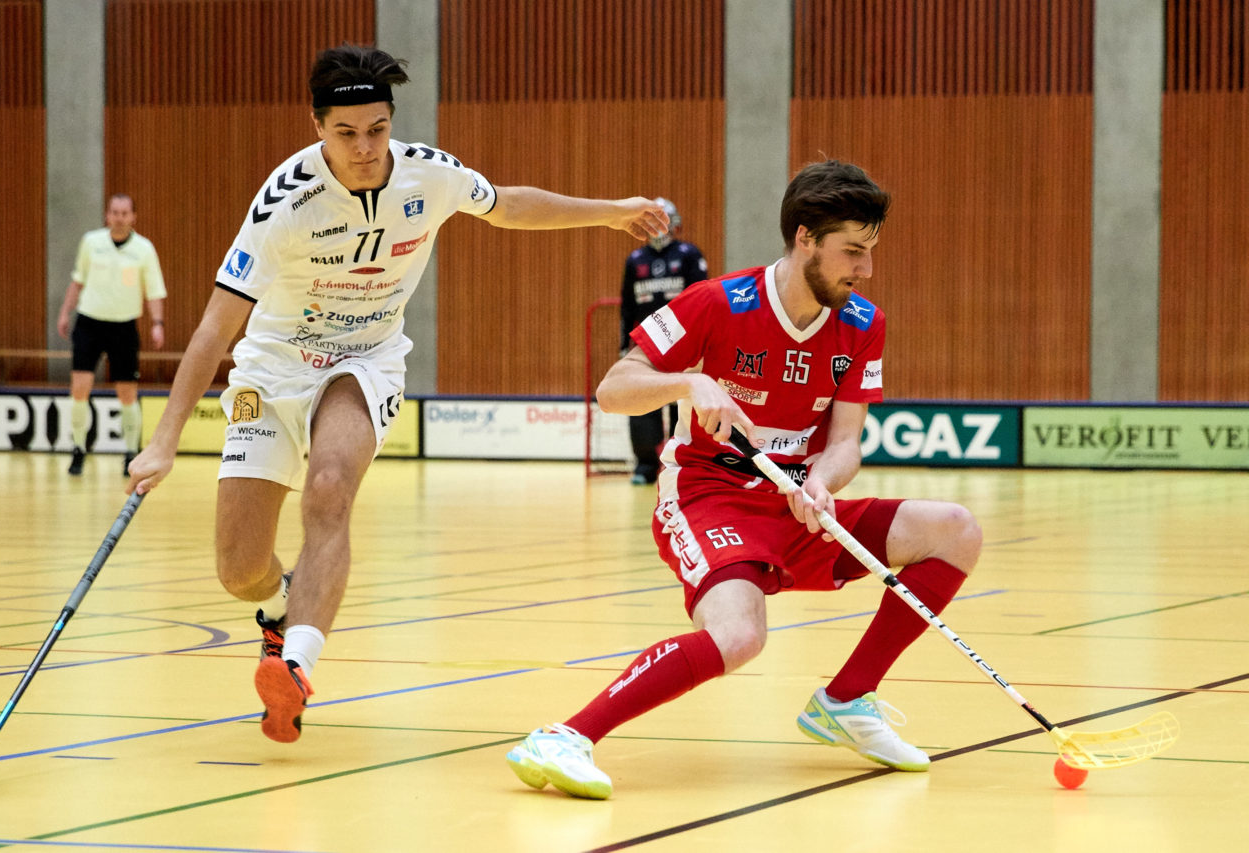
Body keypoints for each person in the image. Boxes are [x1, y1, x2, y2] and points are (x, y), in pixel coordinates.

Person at [126, 43, 668, 745]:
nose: (364, 148)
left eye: (377, 129)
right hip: (274, 368)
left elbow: (508, 207)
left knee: (330, 487)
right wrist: (165, 439)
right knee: (238, 569)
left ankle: (295, 666)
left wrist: (609, 211)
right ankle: (280, 609)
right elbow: (212, 330)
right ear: (317, 126)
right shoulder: (284, 201)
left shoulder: (428, 175)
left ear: (391, 122)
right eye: (346, 133)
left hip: (367, 356)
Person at [505, 160, 983, 799]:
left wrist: (822, 481)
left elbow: (845, 443)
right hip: (709, 495)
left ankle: (846, 700)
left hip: (796, 502)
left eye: (870, 253)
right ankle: (565, 737)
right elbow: (613, 390)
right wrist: (690, 381)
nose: (865, 270)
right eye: (853, 252)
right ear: (805, 237)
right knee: (740, 636)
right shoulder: (716, 302)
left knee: (955, 531)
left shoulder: (863, 323)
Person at [57, 194, 167, 476]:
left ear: (133, 217)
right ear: (107, 215)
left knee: (127, 392)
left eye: (125, 212)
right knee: (80, 387)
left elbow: (154, 290)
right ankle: (79, 449)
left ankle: (131, 452)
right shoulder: (92, 243)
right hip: (89, 324)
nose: (119, 217)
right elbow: (77, 280)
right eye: (115, 212)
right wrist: (65, 312)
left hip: (123, 327)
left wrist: (157, 323)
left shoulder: (144, 249)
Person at [618, 198, 707, 484]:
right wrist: (624, 344)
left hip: (682, 342)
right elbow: (627, 307)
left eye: (664, 221)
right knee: (644, 403)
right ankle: (644, 466)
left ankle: (680, 464)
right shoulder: (635, 260)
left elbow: (701, 300)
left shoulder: (689, 255)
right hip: (647, 346)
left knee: (681, 402)